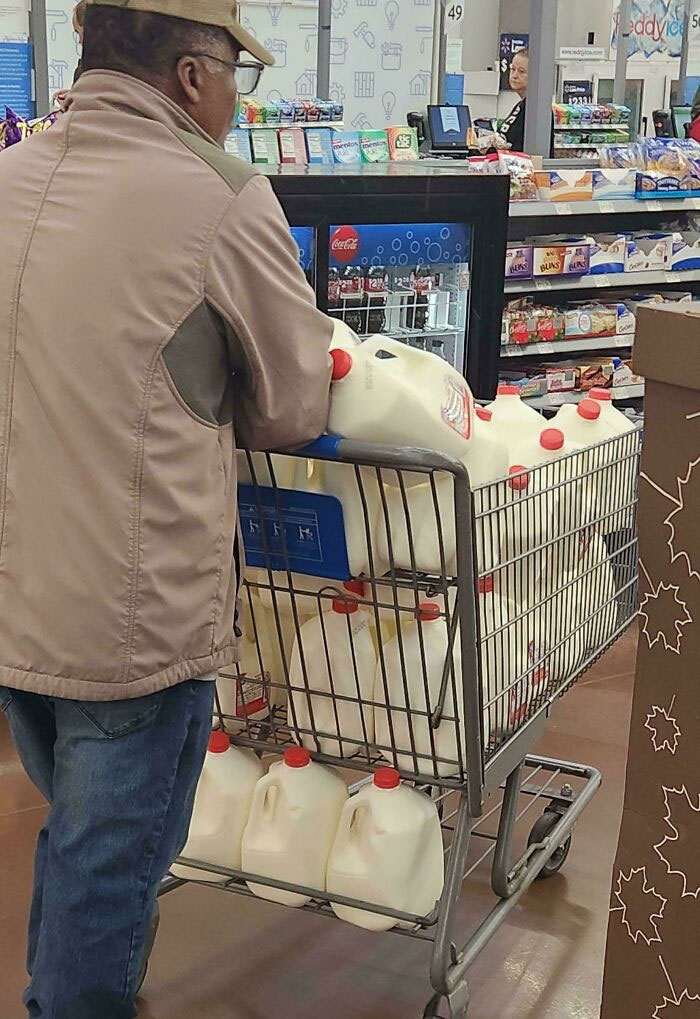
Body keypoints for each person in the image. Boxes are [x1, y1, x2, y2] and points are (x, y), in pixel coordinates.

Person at [0, 2, 333, 1017]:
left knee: (80, 840)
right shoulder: (220, 195)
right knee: (109, 865)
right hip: (131, 610)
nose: (238, 97)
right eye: (238, 73)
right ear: (194, 76)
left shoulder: (9, 176)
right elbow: (290, 402)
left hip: (21, 595)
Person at [52, 1, 86, 109]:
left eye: (78, 32)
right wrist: (73, 96)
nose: (79, 41)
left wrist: (74, 100)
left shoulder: (91, 69)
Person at [499, 47, 529, 152]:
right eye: (512, 69)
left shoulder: (535, 110)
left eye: (521, 71)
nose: (514, 75)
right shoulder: (520, 105)